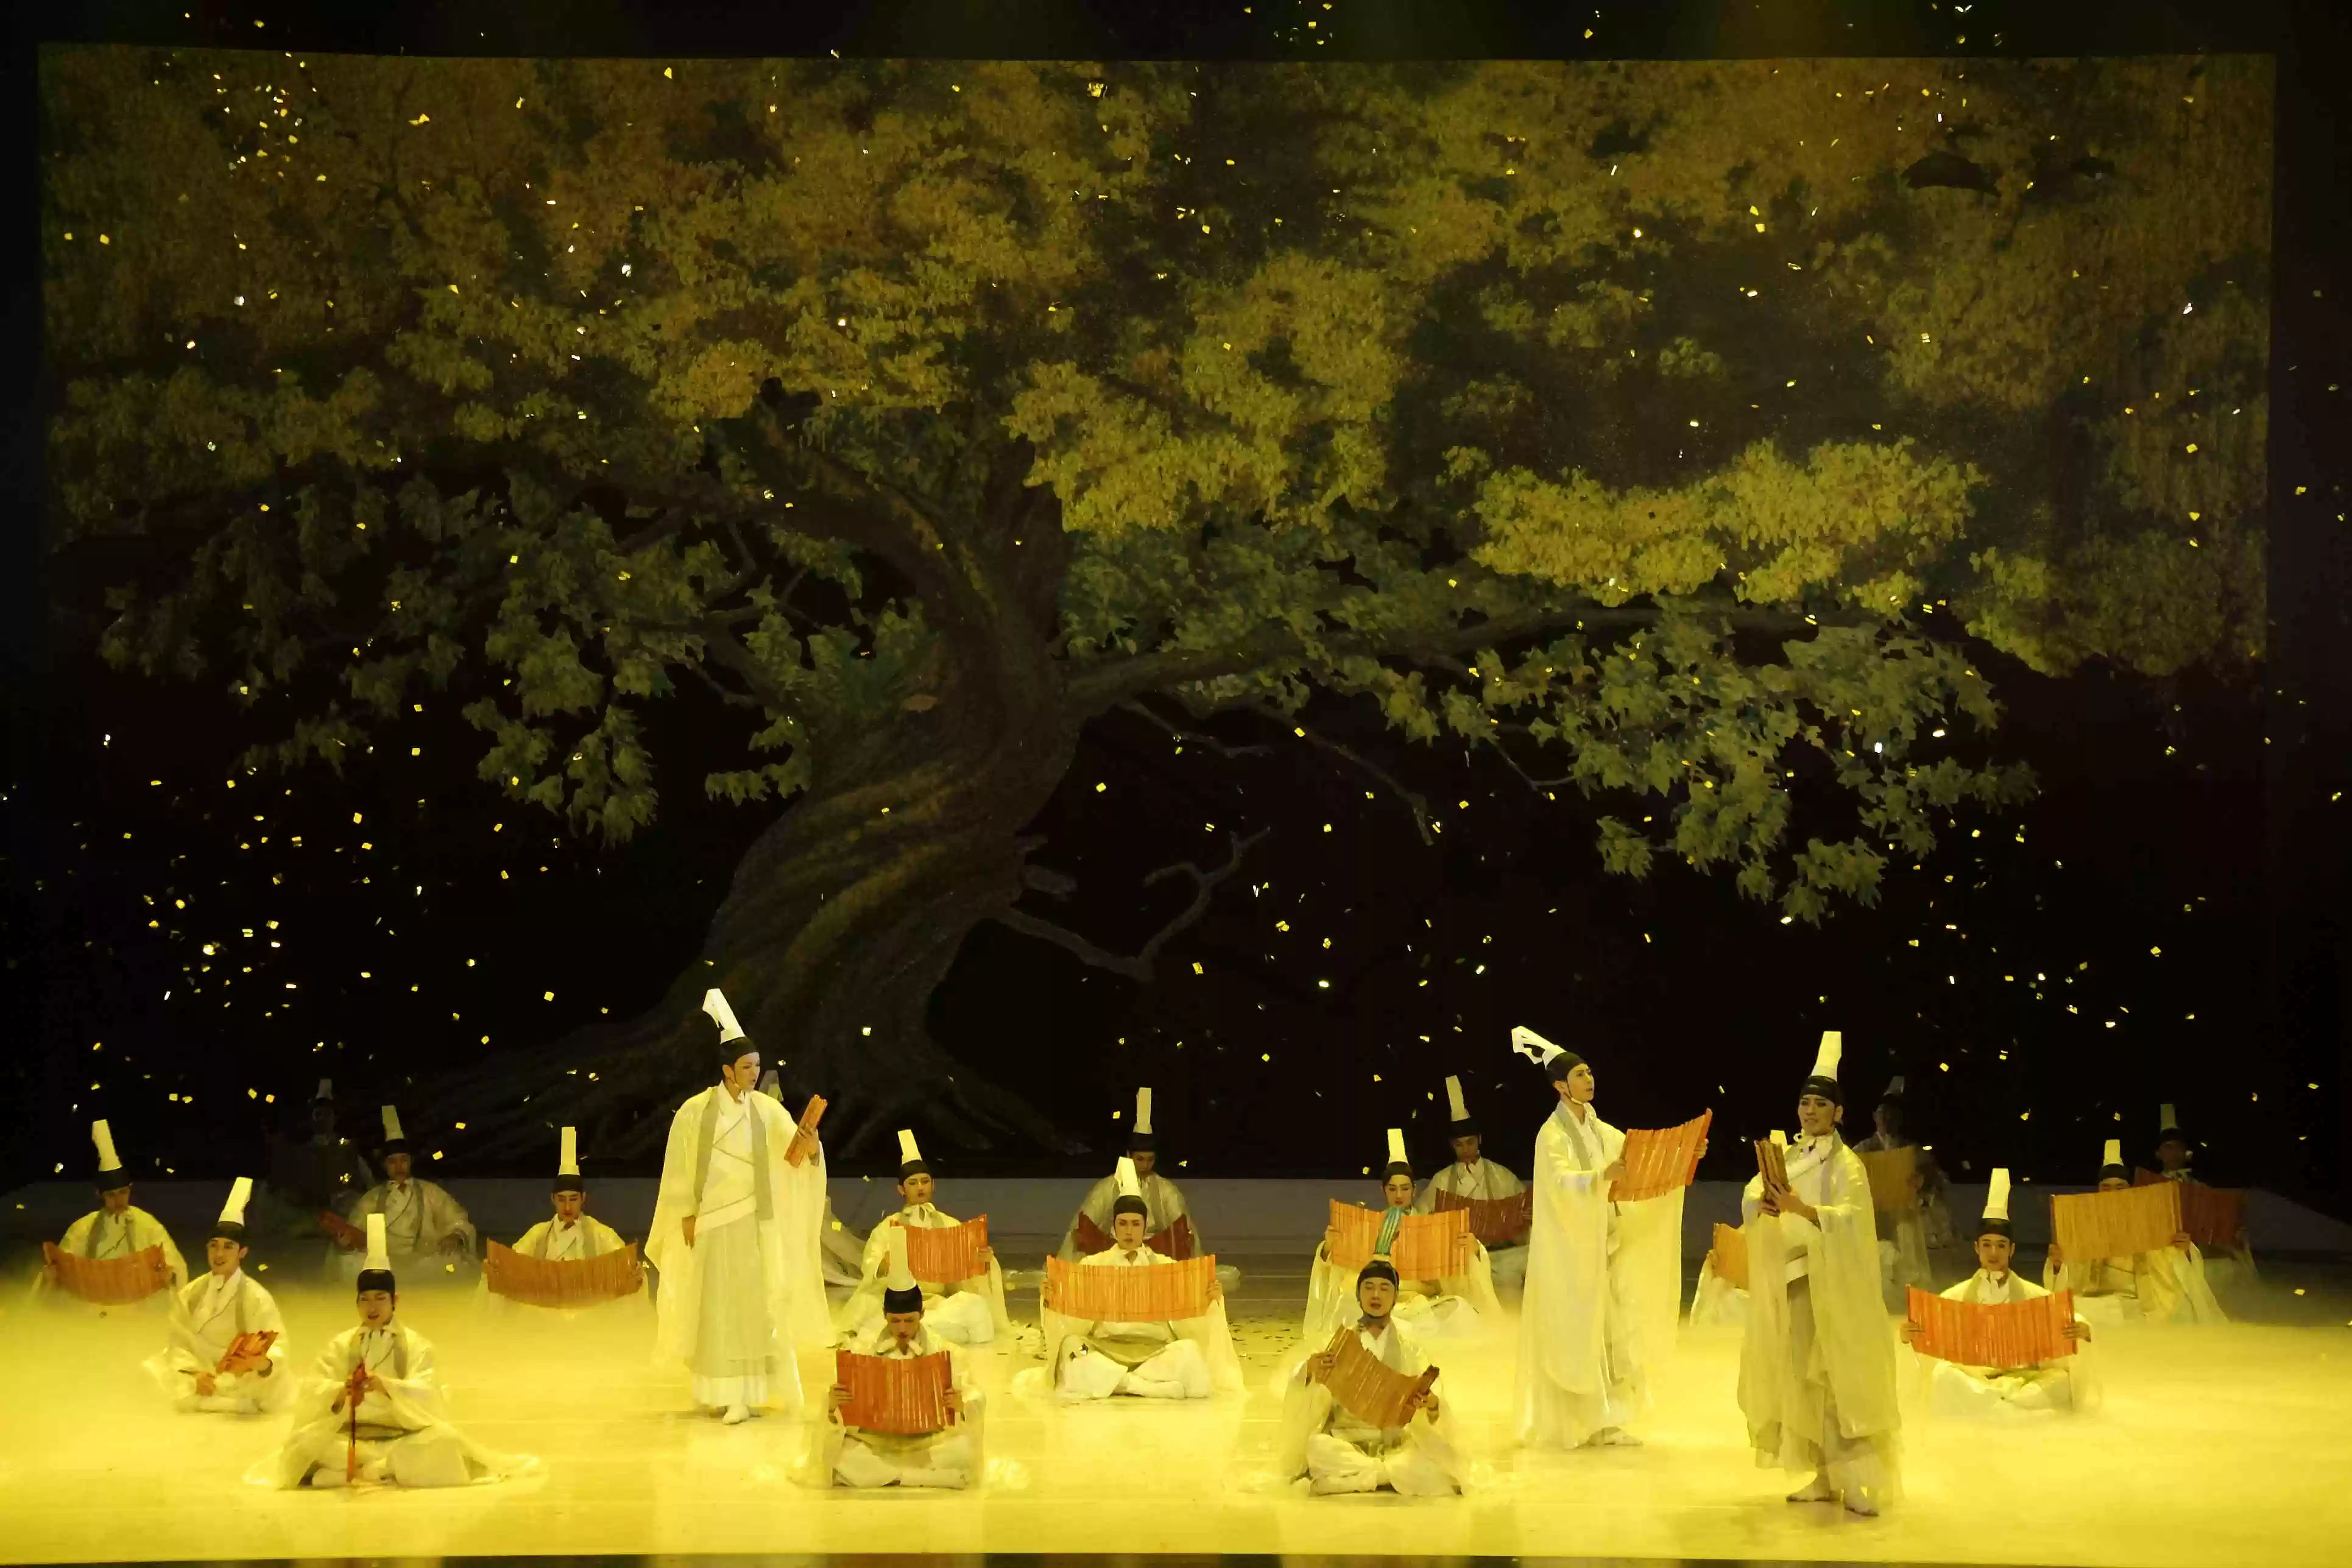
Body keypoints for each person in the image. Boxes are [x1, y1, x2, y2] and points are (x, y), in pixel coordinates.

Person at [646, 988, 830, 1424]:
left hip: (753, 1221)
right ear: (727, 1070)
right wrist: (685, 1213)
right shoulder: (695, 1112)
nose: (754, 1073)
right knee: (714, 1307)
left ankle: (746, 1395)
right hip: (711, 1221)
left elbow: (793, 1157)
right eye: (747, 1067)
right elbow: (679, 1169)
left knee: (753, 1306)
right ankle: (716, 1389)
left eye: (757, 1066)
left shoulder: (766, 1110)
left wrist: (811, 1146)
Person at [1737, 1031, 1901, 1516]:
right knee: (1801, 1380)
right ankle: (1823, 1475)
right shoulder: (1787, 1156)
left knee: (1837, 1379)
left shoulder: (1847, 1165)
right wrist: (1763, 1205)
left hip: (1832, 1286)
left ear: (1838, 1113)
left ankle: (1856, 1478)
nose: (1809, 1112)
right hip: (1793, 1282)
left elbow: (1853, 1219)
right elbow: (1753, 1194)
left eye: (1820, 1105)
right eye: (1804, 1103)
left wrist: (1802, 1209)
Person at [1510, 1025, 1691, 1450]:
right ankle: (1571, 1422)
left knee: (1610, 1335)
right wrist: (1599, 1177)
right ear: (1560, 1086)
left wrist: (1683, 1156)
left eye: (1589, 1072)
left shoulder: (1598, 1128)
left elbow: (1636, 1156)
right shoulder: (1551, 1135)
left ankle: (1607, 1420)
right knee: (1574, 1333)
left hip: (1602, 1247)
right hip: (1569, 1253)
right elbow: (1558, 1182)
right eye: (1579, 1075)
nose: (1589, 1079)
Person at [261, 1215, 532, 1488]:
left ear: (395, 1301)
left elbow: (428, 1393)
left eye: (380, 1298)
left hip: (403, 1438)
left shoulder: (416, 1344)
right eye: (365, 1300)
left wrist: (387, 1386)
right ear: (357, 1304)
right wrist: (341, 1391)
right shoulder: (341, 1345)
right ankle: (378, 1471)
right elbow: (313, 1389)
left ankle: (365, 1471)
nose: (372, 1307)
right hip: (350, 1438)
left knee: (445, 1440)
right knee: (304, 1442)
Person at [1902, 1169, 2096, 1419]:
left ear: (2012, 1250)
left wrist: (2083, 1329)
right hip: (1976, 1380)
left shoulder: (2032, 1293)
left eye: (2001, 1245)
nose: (1994, 1253)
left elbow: (2067, 1317)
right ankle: (2014, 1414)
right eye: (1987, 1245)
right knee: (1943, 1377)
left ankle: (1997, 1411)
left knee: (2060, 1381)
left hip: (2025, 1380)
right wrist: (1909, 1334)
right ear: (1977, 1248)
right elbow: (1929, 1336)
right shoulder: (1955, 1296)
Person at [800, 1228, 985, 1489]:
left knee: (962, 1450)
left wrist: (962, 1403)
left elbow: (976, 1395)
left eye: (909, 1320)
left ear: (922, 1315)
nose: (902, 1328)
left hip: (926, 1442)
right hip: (878, 1442)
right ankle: (920, 1478)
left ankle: (891, 1477)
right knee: (841, 1456)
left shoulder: (945, 1351)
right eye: (895, 1321)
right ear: (885, 1316)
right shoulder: (863, 1349)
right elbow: (834, 1403)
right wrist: (832, 1405)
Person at [1048, 1158, 1243, 1401]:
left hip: (1155, 1350)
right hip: (1105, 1348)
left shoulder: (1165, 1266)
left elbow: (1190, 1322)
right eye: (1123, 1224)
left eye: (1135, 1224)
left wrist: (1211, 1300)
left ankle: (1116, 1383)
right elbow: (1074, 1321)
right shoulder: (1093, 1265)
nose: (1129, 1231)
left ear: (1144, 1228)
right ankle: (1142, 1386)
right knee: (1074, 1349)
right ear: (1114, 1228)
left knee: (1189, 1351)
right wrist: (1053, 1300)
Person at [1275, 1257, 1461, 1496]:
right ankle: (1387, 1477)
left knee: (1433, 1458)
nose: (1376, 1295)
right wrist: (1309, 1370)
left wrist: (1432, 1404)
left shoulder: (1410, 1349)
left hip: (1394, 1446)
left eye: (1384, 1289)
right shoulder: (1339, 1344)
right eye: (1369, 1288)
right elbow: (1302, 1388)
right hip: (1346, 1441)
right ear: (1358, 1295)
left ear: (1395, 1297)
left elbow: (1434, 1397)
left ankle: (1353, 1479)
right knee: (1318, 1448)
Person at [1305, 1131, 1502, 1343]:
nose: (1399, 1195)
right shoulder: (1368, 1226)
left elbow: (1456, 1273)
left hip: (1418, 1304)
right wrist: (1329, 1248)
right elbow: (1339, 1270)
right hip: (1377, 1300)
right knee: (1347, 1305)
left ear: (1414, 1191)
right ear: (1384, 1191)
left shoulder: (1431, 1226)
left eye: (1405, 1189)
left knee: (1460, 1310)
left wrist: (1473, 1249)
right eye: (1393, 1189)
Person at [838, 1130, 1009, 1346]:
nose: (920, 1187)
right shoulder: (888, 1226)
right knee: (867, 1306)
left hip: (938, 1303)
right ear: (901, 1189)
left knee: (975, 1305)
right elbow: (870, 1263)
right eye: (913, 1183)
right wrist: (883, 1265)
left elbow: (969, 1271)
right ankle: (916, 1329)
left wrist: (985, 1261)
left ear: (933, 1185)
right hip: (900, 1305)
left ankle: (919, 1330)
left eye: (925, 1181)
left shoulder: (949, 1224)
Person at [144, 1178, 292, 1414]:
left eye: (228, 1246)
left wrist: (262, 1363)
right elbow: (179, 1343)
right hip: (199, 1372)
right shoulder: (191, 1293)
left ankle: (226, 1402)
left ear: (242, 1252)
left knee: (263, 1389)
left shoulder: (256, 1297)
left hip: (240, 1377)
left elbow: (278, 1345)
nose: (219, 1254)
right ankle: (218, 1400)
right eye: (214, 1246)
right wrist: (195, 1374)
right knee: (152, 1373)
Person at [2043, 1138, 2224, 1324]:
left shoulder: (2150, 1219)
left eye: (2120, 1187)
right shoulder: (2082, 1224)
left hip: (2140, 1300)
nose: (2113, 1193)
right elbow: (2068, 1274)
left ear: (2130, 1189)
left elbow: (2174, 1263)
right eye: (2106, 1188)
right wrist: (2057, 1264)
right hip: (2094, 1298)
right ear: (2099, 1190)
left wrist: (2184, 1250)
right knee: (2067, 1309)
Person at [1056, 1088, 1215, 1268]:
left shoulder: (1166, 1190)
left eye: (1150, 1160)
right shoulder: (1108, 1187)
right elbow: (1082, 1223)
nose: (1145, 1165)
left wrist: (1196, 1267)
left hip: (1154, 1255)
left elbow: (1185, 1228)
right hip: (1114, 1253)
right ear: (1128, 1155)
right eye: (1140, 1159)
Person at [38, 1120, 188, 1303]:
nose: (118, 1200)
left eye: (123, 1193)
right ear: (100, 1195)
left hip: (139, 1306)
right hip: (92, 1306)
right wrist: (51, 1277)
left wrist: (170, 1276)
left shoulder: (148, 1225)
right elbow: (61, 1264)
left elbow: (177, 1266)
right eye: (111, 1195)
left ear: (130, 1189)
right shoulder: (83, 1228)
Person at [1413, 1074, 1530, 1290]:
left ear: (1480, 1140)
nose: (1466, 1150)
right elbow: (1419, 1217)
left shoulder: (1501, 1175)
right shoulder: (1442, 1180)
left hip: (1499, 1257)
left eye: (1470, 1143)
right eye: (1459, 1145)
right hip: (1458, 1259)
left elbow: (1526, 1215)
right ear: (1452, 1145)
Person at [339, 1106, 475, 1277]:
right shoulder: (372, 1198)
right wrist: (349, 1240)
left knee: (453, 1260)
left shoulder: (430, 1191)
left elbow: (457, 1218)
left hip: (425, 1259)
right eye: (392, 1162)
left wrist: (454, 1236)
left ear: (410, 1162)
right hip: (383, 1262)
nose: (399, 1167)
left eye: (403, 1160)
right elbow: (355, 1230)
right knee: (348, 1263)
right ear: (385, 1166)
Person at [761, 1069, 867, 1289]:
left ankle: (868, 1265)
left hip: (799, 1200)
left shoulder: (791, 1133)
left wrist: (812, 1151)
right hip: (762, 1207)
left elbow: (808, 1165)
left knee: (832, 1232)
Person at [1851, 1077, 1953, 1301]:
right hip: (1874, 1213)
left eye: (1893, 1114)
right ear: (1875, 1116)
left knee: (1909, 1259)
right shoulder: (1862, 1149)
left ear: (1900, 1119)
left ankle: (1913, 1295)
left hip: (1905, 1214)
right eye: (1883, 1113)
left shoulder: (1912, 1149)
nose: (1887, 1119)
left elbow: (1936, 1176)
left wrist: (1922, 1180)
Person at [252, 1080, 374, 1262]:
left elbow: (369, 1189)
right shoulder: (298, 1153)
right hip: (304, 1233)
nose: (324, 1119)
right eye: (319, 1114)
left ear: (335, 1119)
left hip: (340, 1231)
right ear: (312, 1118)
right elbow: (275, 1191)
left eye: (328, 1114)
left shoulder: (348, 1153)